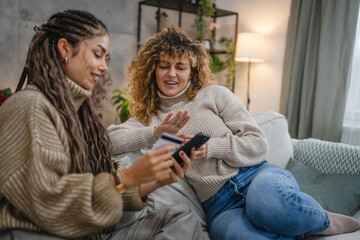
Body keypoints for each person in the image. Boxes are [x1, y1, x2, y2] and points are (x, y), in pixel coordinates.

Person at [107, 25, 360, 239]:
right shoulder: (147, 118)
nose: (171, 74)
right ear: (152, 70)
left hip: (255, 176)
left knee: (267, 204)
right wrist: (154, 132)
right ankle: (297, 225)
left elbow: (259, 144)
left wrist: (213, 148)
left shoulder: (214, 94)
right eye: (163, 66)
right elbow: (108, 140)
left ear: (192, 70)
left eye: (180, 66)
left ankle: (325, 222)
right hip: (219, 205)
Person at [0, 11, 204, 240]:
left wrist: (155, 180)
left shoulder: (78, 116)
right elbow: (45, 201)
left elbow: (104, 181)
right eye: (97, 55)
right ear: (65, 49)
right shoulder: (30, 105)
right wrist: (127, 177)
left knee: (182, 217)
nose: (104, 68)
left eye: (106, 59)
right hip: (40, 234)